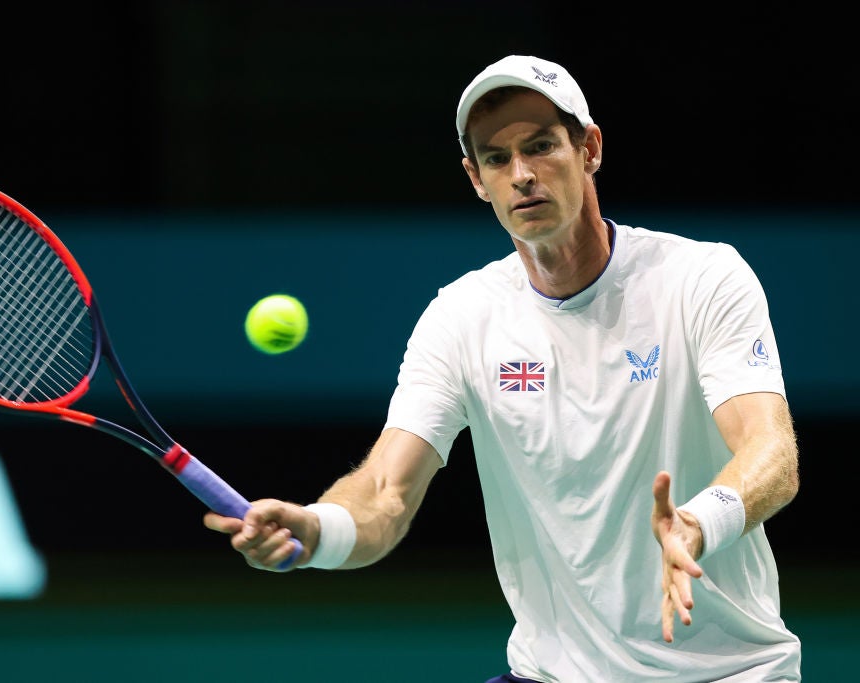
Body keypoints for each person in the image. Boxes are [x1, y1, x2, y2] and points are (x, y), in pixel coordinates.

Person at [204, 54, 802, 681]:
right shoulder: (461, 318)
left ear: (589, 148)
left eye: (542, 146)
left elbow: (772, 453)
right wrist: (314, 530)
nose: (522, 175)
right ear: (476, 179)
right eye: (496, 158)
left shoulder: (702, 280)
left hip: (726, 671)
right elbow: (386, 493)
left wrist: (699, 523)